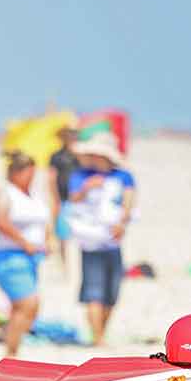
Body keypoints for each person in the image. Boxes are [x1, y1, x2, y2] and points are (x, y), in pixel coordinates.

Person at [67, 138, 135, 344]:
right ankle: (97, 337)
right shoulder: (81, 175)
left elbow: (129, 201)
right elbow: (73, 200)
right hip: (90, 242)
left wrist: (121, 223)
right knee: (94, 290)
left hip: (112, 241)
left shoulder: (123, 176)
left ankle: (102, 332)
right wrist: (88, 187)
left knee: (112, 291)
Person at [0, 153, 49, 356]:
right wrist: (25, 242)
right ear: (15, 173)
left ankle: (11, 347)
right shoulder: (5, 193)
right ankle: (10, 352)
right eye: (27, 173)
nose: (31, 178)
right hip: (10, 255)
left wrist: (46, 242)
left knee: (25, 308)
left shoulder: (34, 194)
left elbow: (43, 221)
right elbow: (1, 222)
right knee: (27, 304)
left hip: (31, 257)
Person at [48, 126, 80, 259]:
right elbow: (52, 178)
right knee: (62, 232)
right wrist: (55, 199)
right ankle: (64, 260)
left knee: (78, 231)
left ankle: (76, 260)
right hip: (63, 197)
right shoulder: (56, 156)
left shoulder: (80, 156)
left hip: (79, 198)